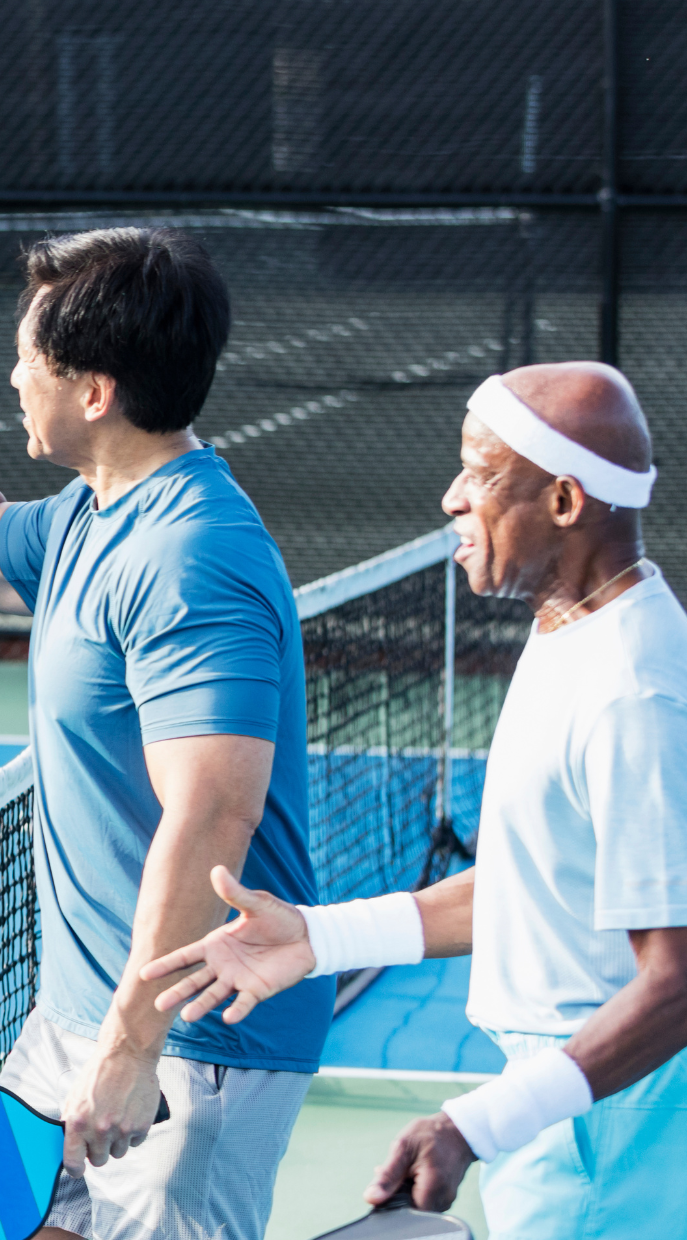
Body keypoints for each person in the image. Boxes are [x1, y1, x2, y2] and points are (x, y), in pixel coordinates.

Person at [0, 207, 331, 1238]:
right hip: (74, 1021)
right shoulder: (86, 518)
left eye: (26, 358)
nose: (13, 378)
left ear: (93, 390)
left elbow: (210, 812)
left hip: (192, 1045)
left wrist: (132, 1044)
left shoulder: (189, 556)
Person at [141, 362, 687, 1237]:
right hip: (570, 1105)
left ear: (564, 502)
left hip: (613, 1123)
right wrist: (321, 938)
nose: (451, 498)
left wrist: (475, 1124)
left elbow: (676, 984)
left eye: (482, 473)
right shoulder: (571, 634)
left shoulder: (633, 693)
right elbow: (533, 887)